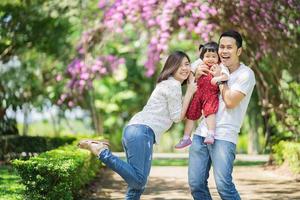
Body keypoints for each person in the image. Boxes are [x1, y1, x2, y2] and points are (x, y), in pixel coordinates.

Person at [78, 51, 197, 200]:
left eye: (187, 64)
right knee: (139, 181)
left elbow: (196, 66)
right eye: (179, 65)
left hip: (137, 131)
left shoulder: (168, 83)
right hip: (142, 132)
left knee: (136, 187)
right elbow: (177, 117)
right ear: (171, 67)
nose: (185, 68)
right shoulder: (173, 85)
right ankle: (101, 151)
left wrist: (195, 72)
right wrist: (190, 91)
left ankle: (100, 150)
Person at [188, 30, 256, 200]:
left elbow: (231, 101)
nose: (224, 51)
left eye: (229, 47)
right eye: (221, 47)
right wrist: (196, 76)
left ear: (238, 51)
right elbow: (192, 75)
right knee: (196, 185)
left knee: (224, 186)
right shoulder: (211, 66)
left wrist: (220, 80)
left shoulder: (245, 74)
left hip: (225, 136)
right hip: (202, 134)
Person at [175, 42, 229, 149]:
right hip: (198, 93)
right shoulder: (199, 64)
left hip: (210, 94)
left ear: (218, 57)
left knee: (210, 112)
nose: (210, 59)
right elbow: (190, 70)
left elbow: (226, 76)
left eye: (214, 56)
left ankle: (211, 133)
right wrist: (195, 77)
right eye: (207, 56)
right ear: (202, 57)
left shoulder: (219, 66)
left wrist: (217, 78)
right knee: (191, 115)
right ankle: (186, 138)